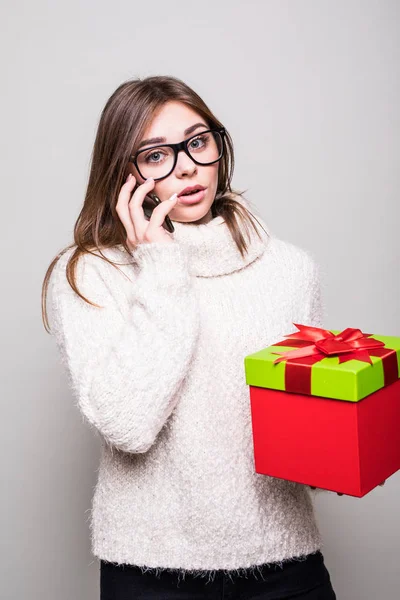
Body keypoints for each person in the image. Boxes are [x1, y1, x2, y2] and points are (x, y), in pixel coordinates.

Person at [42, 75, 338, 599]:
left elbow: (304, 430)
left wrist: (341, 435)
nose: (186, 166)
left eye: (197, 142)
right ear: (122, 174)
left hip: (285, 563)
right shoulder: (92, 274)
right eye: (156, 155)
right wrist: (160, 266)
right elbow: (127, 425)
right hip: (151, 572)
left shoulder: (291, 269)